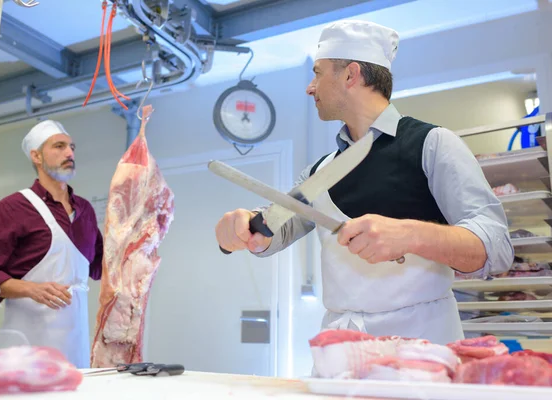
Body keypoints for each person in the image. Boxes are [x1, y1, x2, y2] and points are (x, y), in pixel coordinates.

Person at [214, 20, 514, 345]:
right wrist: (242, 227)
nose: (310, 87)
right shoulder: (321, 171)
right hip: (340, 348)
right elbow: (276, 227)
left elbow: (498, 249)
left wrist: (412, 235)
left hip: (423, 350)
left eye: (317, 72)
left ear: (350, 74)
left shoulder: (433, 143)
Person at [0, 119, 103, 368]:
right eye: (59, 146)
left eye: (71, 147)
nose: (70, 153)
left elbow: (101, 267)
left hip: (77, 349)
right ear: (36, 156)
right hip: (25, 352)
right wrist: (31, 289)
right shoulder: (14, 207)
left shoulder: (85, 210)